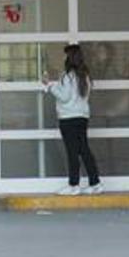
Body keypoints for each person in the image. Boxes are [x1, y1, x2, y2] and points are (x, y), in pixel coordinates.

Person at [42, 44, 103, 196]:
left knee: (72, 152)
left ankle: (73, 185)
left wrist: (50, 85)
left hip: (68, 118)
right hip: (82, 117)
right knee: (84, 150)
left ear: (69, 58)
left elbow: (64, 97)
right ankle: (95, 183)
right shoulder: (85, 76)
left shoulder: (67, 76)